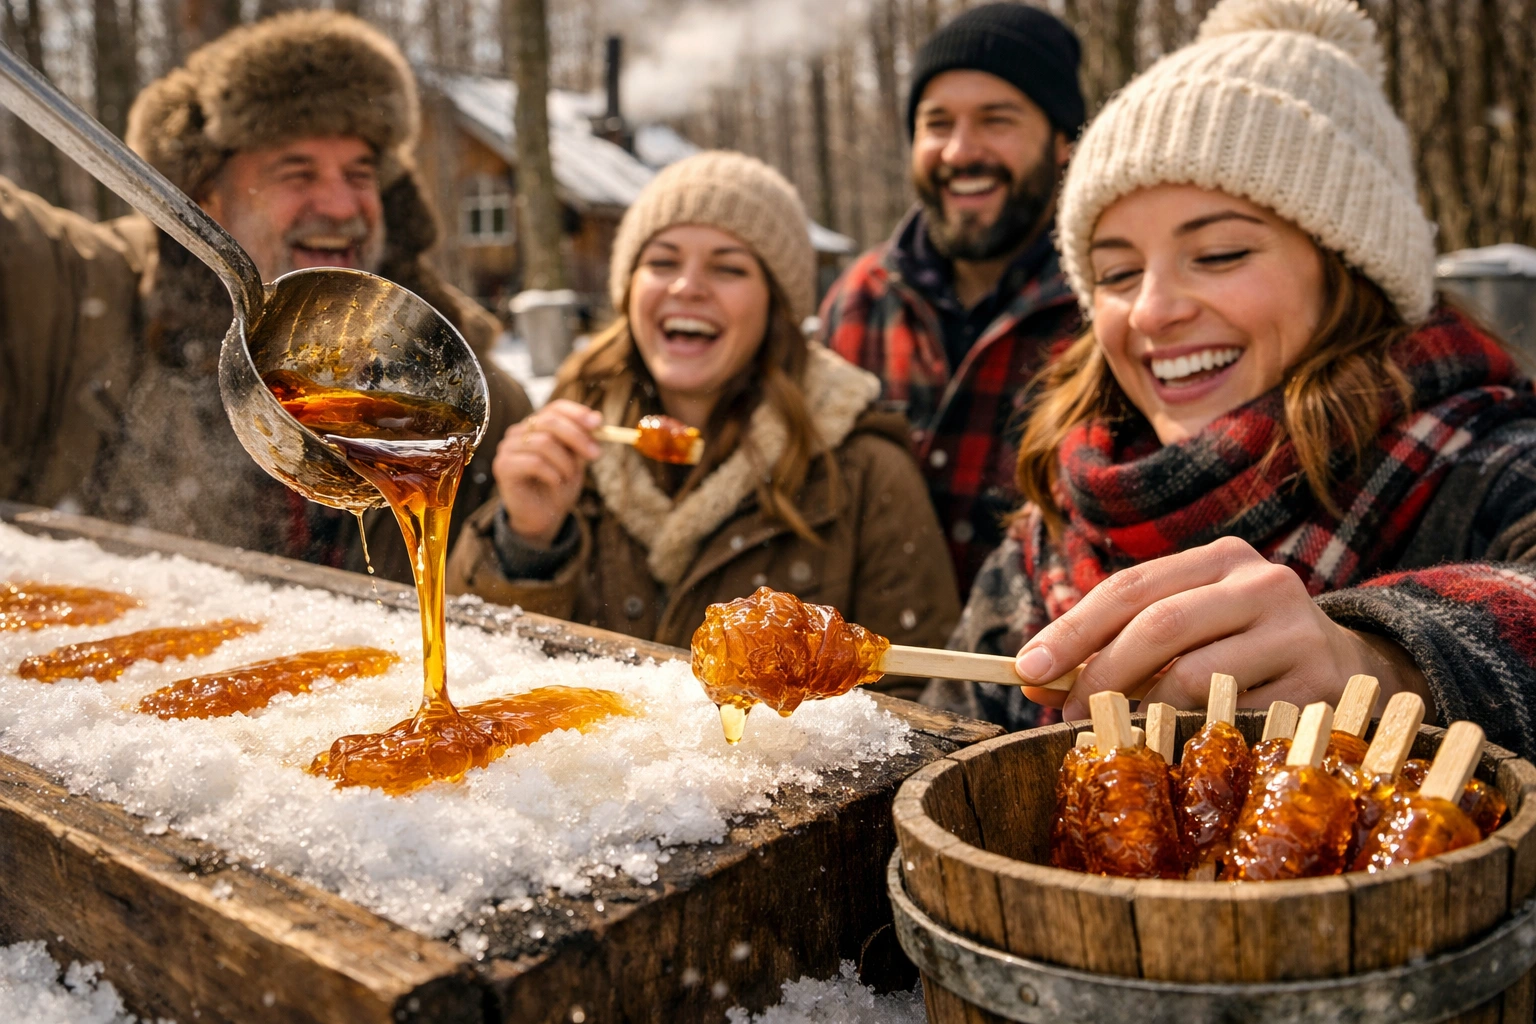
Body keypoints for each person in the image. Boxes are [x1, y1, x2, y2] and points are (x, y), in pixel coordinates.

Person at [938, 0, 1536, 761]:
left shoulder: (1493, 467)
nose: (1151, 311)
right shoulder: (1042, 547)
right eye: (1116, 272)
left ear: (1352, 272)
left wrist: (1384, 662)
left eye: (1218, 254)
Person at [0, 11, 531, 582]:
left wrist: (532, 545)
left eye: (359, 175)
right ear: (208, 195)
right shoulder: (84, 293)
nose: (340, 206)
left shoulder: (458, 399)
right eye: (296, 172)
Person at [447, 152, 960, 700]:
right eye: (663, 262)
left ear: (775, 303)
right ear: (629, 290)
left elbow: (924, 699)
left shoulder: (865, 469)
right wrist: (523, 539)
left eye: (728, 267)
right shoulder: (569, 437)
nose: (687, 287)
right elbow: (473, 665)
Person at [819, 2, 1085, 595]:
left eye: (997, 120)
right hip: (874, 675)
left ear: (1063, 141)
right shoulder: (858, 300)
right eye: (937, 123)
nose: (961, 151)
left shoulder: (1108, 311)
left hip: (1038, 677)